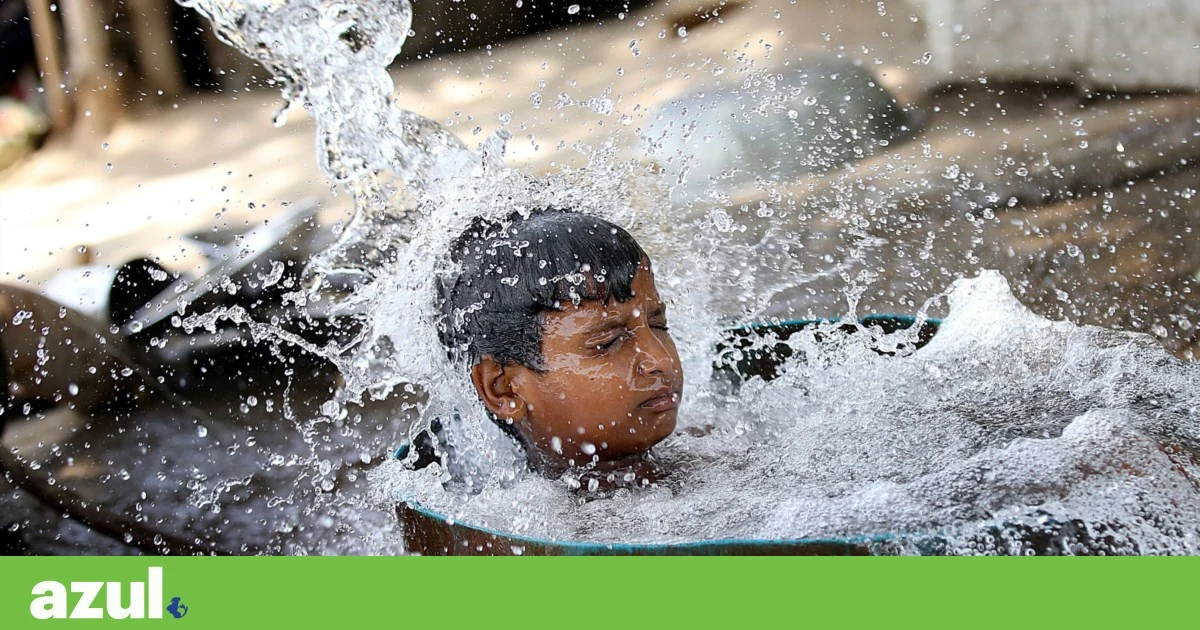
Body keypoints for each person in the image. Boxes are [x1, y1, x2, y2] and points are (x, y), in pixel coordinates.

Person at [417, 208, 684, 486]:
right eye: (608, 342)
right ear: (503, 389)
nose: (660, 359)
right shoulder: (522, 522)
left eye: (658, 326)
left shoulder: (715, 452)